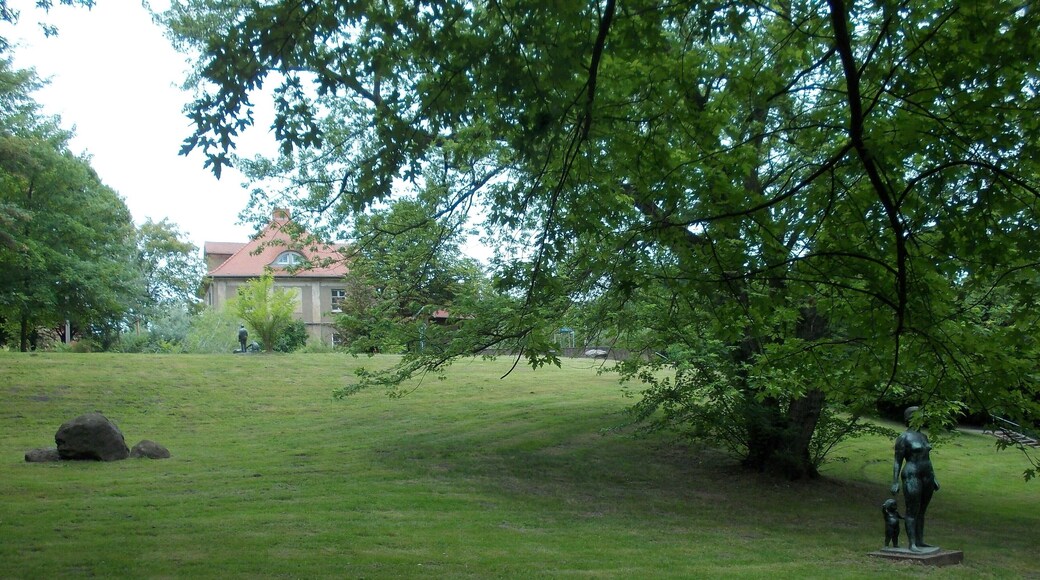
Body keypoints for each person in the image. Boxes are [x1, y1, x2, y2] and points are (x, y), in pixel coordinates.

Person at [891, 406, 940, 552]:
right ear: (910, 418)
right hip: (912, 474)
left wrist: (934, 477)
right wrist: (894, 481)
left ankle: (920, 541)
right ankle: (912, 543)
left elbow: (927, 457)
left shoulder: (924, 437)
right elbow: (897, 461)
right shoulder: (903, 438)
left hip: (927, 475)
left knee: (922, 511)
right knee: (912, 510)